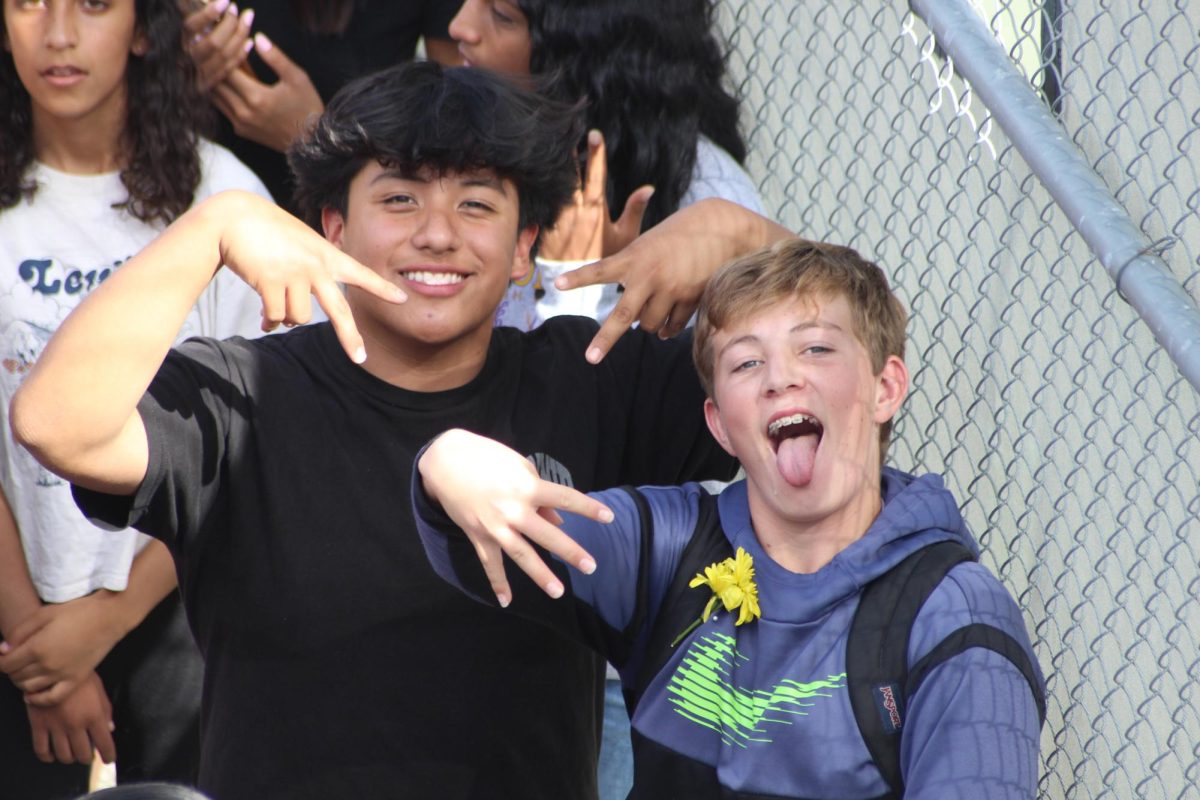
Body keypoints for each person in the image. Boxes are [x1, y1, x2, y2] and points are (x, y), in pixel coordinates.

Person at [9, 61, 791, 800]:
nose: (438, 235)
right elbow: (55, 425)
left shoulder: (591, 380)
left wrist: (755, 244)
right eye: (400, 199)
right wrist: (213, 227)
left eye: (477, 204)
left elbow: (849, 398)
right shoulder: (240, 394)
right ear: (332, 228)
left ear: (525, 249)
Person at [412, 238, 1047, 798]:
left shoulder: (953, 614)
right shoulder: (669, 546)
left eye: (817, 348)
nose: (781, 379)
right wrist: (443, 464)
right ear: (719, 422)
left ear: (885, 388)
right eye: (746, 362)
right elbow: (482, 542)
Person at [0, 0, 273, 796]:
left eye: (91, 5)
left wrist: (104, 622)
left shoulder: (223, 198)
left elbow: (254, 440)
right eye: (25, 4)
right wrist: (35, 651)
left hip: (176, 605)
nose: (56, 34)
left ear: (146, 27)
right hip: (16, 611)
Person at [449, 0, 763, 332]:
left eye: (502, 16)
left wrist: (580, 284)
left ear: (587, 52)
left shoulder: (707, 197)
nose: (459, 26)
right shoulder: (493, 141)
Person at [181, 0, 462, 214]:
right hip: (196, 196)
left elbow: (455, 136)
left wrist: (317, 137)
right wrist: (170, 76)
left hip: (347, 218)